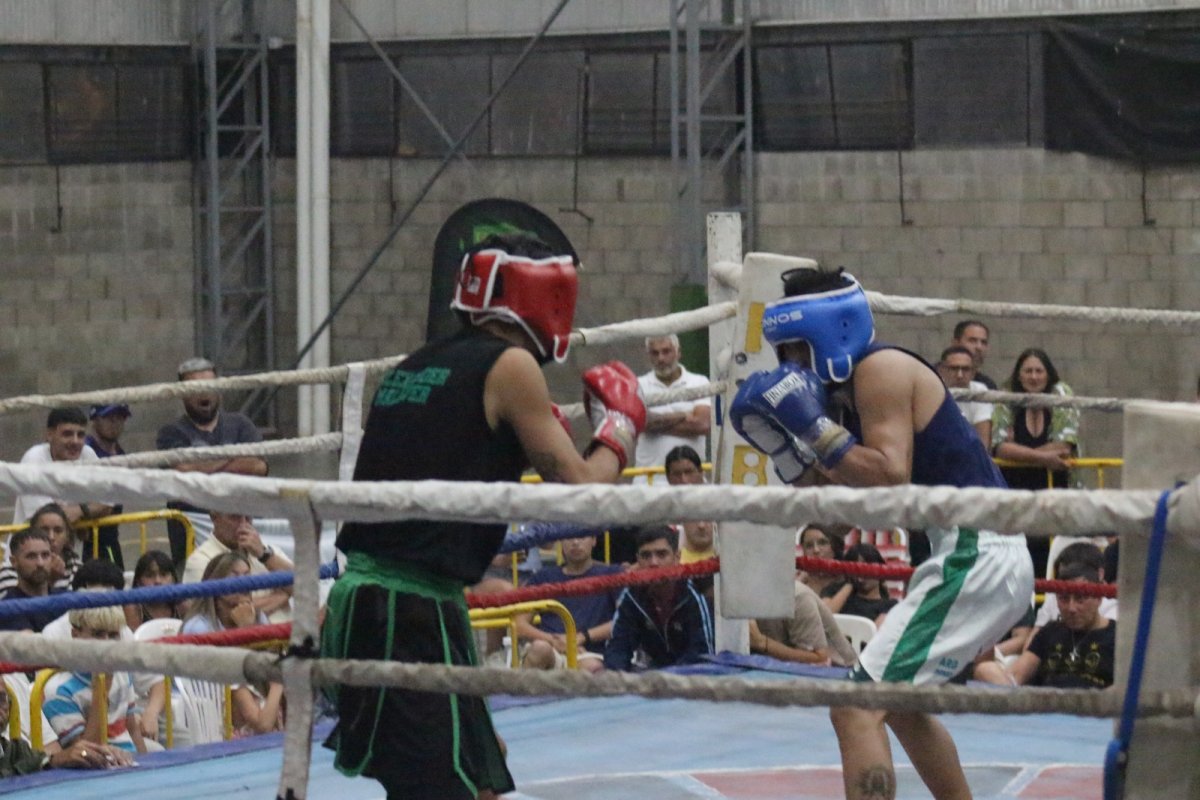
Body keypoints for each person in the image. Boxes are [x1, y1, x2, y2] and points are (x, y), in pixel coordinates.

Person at [320, 232, 645, 800]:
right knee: (445, 789)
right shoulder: (511, 365)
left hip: (382, 601)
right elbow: (583, 493)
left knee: (475, 775)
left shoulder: (416, 364)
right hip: (408, 613)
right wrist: (621, 426)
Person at [731, 266, 1033, 800]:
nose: (790, 364)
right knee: (899, 707)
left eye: (796, 348)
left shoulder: (881, 369)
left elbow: (890, 476)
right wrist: (785, 452)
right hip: (970, 552)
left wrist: (813, 429)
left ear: (830, 331)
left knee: (855, 706)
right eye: (783, 352)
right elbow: (842, 516)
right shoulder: (843, 398)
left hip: (978, 550)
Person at [156, 357, 269, 569]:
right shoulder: (170, 433)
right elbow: (183, 473)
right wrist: (232, 456)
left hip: (246, 540)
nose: (204, 393)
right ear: (182, 393)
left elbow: (257, 467)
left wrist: (202, 466)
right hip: (191, 543)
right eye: (195, 388)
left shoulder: (241, 425)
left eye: (209, 386)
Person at [991, 347, 1080, 577]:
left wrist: (1017, 452)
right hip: (1015, 499)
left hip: (1056, 497)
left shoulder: (1061, 393)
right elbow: (999, 447)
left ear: (1048, 374)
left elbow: (1064, 446)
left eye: (1039, 371)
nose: (1033, 377)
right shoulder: (1006, 395)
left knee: (1051, 565)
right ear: (1018, 375)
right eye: (1028, 371)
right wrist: (1045, 458)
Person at [181, 552, 283, 736]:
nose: (243, 583)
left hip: (253, 702)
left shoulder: (257, 616)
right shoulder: (198, 627)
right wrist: (245, 632)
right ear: (216, 585)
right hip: (210, 710)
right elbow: (227, 675)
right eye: (235, 577)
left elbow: (272, 661)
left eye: (247, 576)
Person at [974, 561, 1115, 689]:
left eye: (1080, 599)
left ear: (1099, 598)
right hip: (1045, 706)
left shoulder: (1117, 637)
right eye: (1064, 599)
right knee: (985, 669)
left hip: (1095, 706)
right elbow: (1016, 675)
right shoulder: (1050, 631)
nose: (1071, 608)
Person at [603, 526, 714, 671]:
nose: (653, 562)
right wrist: (618, 679)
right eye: (646, 556)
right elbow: (617, 648)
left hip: (693, 677)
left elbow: (702, 655)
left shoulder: (694, 592)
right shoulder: (632, 594)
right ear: (638, 560)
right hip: (653, 674)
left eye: (662, 554)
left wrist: (664, 678)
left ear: (677, 557)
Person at [42, 605, 148, 755]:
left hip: (128, 758)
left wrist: (148, 765)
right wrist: (102, 689)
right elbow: (86, 754)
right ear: (75, 635)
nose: (106, 643)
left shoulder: (122, 673)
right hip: (96, 764)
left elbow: (133, 730)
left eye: (113, 635)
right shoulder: (59, 691)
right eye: (98, 634)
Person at [515, 533, 622, 674]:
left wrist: (581, 637)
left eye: (582, 536)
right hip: (551, 650)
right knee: (539, 649)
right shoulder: (543, 577)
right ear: (560, 541)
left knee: (591, 666)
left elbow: (624, 620)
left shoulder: (612, 574)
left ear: (594, 540)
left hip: (592, 654)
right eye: (569, 536)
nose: (575, 542)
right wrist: (554, 641)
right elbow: (519, 625)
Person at [11, 407, 113, 530]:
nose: (75, 441)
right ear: (49, 435)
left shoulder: (87, 453)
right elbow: (48, 520)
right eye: (67, 434)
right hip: (32, 541)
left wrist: (80, 511)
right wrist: (90, 510)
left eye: (80, 435)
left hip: (69, 542)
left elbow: (109, 503)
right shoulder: (33, 459)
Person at [182, 510, 293, 622]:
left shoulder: (266, 550)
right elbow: (226, 614)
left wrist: (264, 555)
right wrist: (282, 595)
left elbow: (301, 588)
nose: (243, 525)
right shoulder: (200, 560)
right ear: (214, 517)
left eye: (248, 518)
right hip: (253, 632)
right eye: (235, 517)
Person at [0, 685, 133, 774]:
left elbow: (38, 761)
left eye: (1, 699)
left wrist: (96, 754)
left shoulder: (14, 750)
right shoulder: (60, 691)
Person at [633, 334, 711, 482]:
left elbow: (703, 424)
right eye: (655, 353)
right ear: (648, 356)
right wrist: (683, 415)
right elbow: (639, 422)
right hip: (649, 481)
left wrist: (654, 422)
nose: (661, 358)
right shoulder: (637, 385)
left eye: (666, 351)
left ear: (678, 352)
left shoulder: (699, 382)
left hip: (691, 481)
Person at [750, 580, 857, 667]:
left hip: (839, 673)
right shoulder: (745, 598)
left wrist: (762, 642)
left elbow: (818, 659)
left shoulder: (797, 597)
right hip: (775, 669)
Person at [84, 403, 133, 567]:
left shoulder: (119, 453)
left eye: (120, 417)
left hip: (110, 536)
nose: (115, 423)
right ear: (95, 419)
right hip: (88, 538)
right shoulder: (85, 451)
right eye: (108, 417)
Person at [0, 504, 79, 595]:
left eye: (58, 531)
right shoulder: (9, 570)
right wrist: (48, 580)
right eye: (44, 530)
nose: (51, 537)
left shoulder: (76, 565)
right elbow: (16, 601)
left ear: (67, 536)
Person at [0, 529, 69, 633]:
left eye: (45, 555)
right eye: (31, 556)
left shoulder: (65, 598)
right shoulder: (9, 608)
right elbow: (30, 641)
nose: (40, 563)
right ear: (14, 562)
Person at [936, 345, 992, 445]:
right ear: (942, 370)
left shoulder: (980, 390)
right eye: (954, 368)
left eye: (965, 369)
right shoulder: (932, 390)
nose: (960, 375)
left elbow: (983, 441)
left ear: (973, 372)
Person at [831, 543, 897, 627]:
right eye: (856, 568)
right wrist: (850, 583)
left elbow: (875, 633)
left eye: (867, 566)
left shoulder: (890, 605)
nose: (862, 573)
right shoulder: (839, 596)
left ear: (880, 568)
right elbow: (824, 620)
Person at [124, 550, 185, 631]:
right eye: (149, 576)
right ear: (138, 582)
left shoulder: (183, 605)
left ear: (173, 579)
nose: (157, 581)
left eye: (163, 574)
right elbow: (134, 638)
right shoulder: (133, 608)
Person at [796, 523, 848, 605]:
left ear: (835, 547)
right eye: (809, 546)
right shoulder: (797, 581)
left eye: (822, 543)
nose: (816, 550)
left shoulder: (849, 581)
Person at [951, 320, 995, 389]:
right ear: (956, 343)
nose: (979, 347)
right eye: (972, 341)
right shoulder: (935, 377)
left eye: (983, 342)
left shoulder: (988, 385)